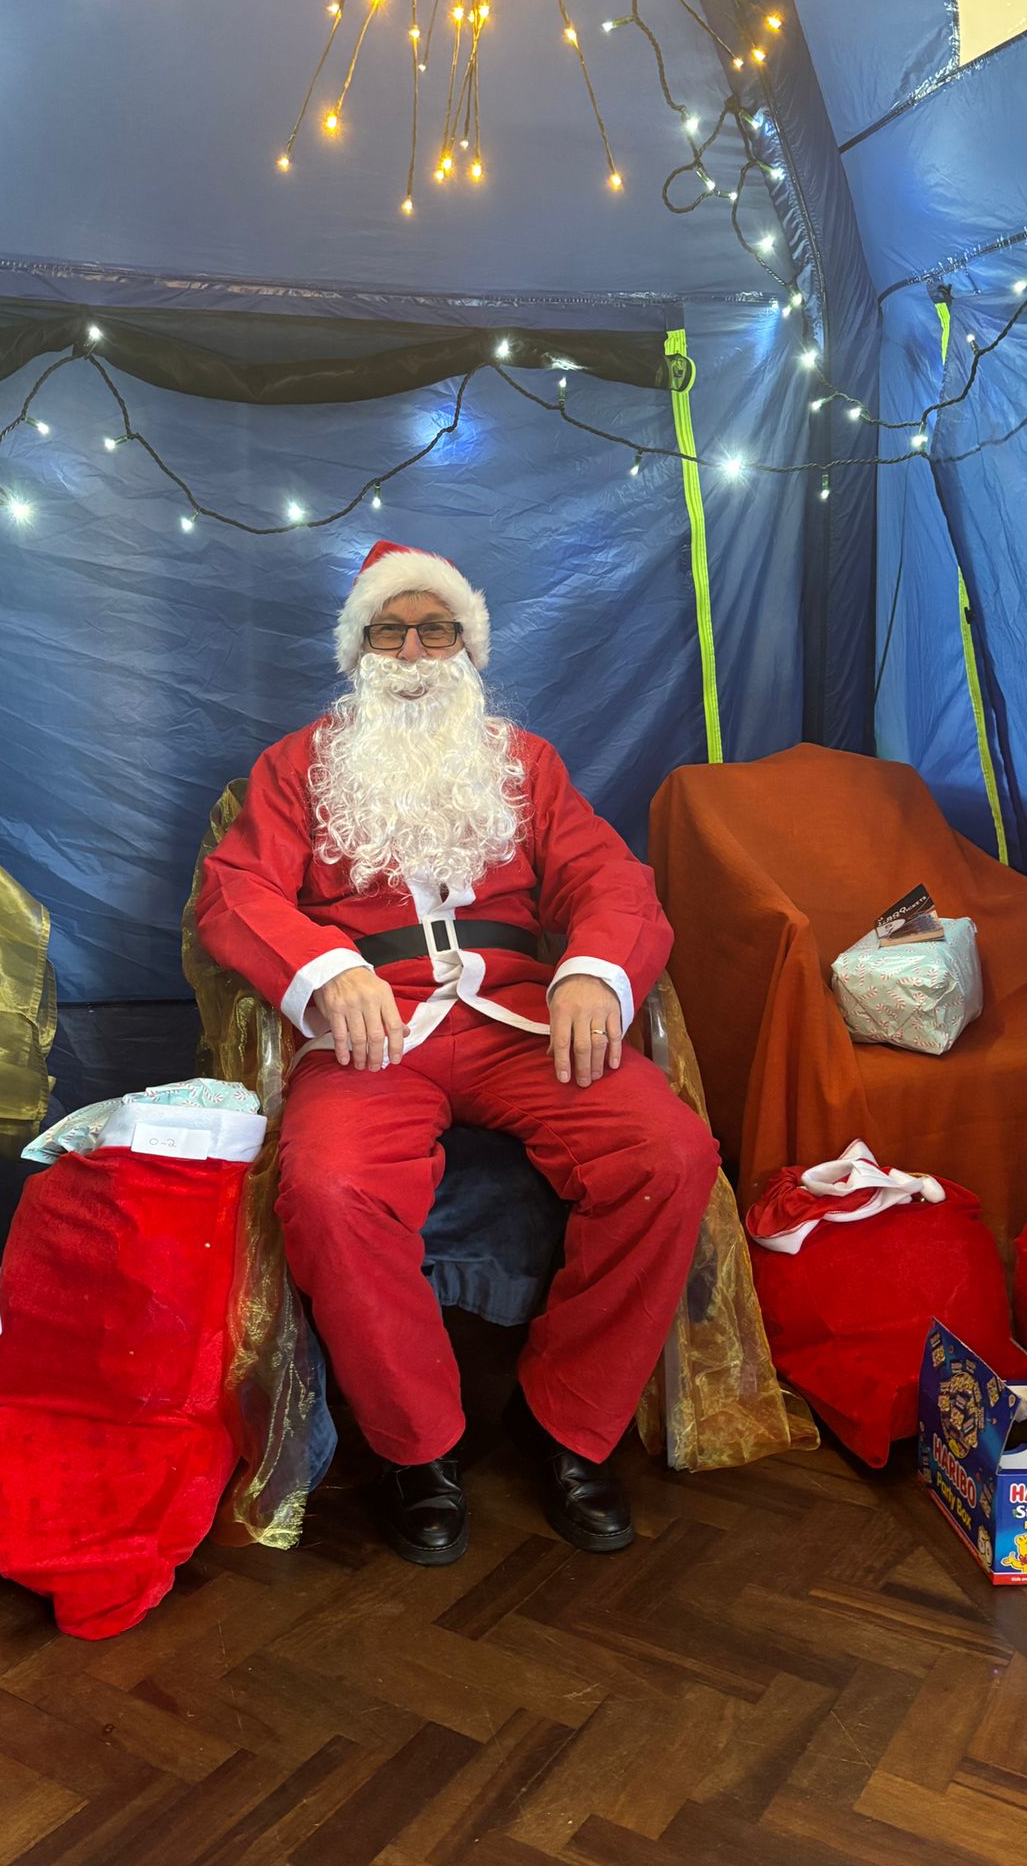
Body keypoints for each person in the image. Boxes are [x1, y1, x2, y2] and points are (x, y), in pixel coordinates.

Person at [196, 542, 718, 1564]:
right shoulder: (297, 765)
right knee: (329, 1185)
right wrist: (318, 968)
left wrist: (592, 974)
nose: (413, 649)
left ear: (469, 648)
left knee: (669, 1153)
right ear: (358, 650)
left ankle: (571, 1422)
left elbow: (610, 879)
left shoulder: (525, 764)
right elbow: (235, 890)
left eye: (436, 628)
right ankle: (417, 1444)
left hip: (523, 1017)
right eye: (389, 629)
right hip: (370, 1025)